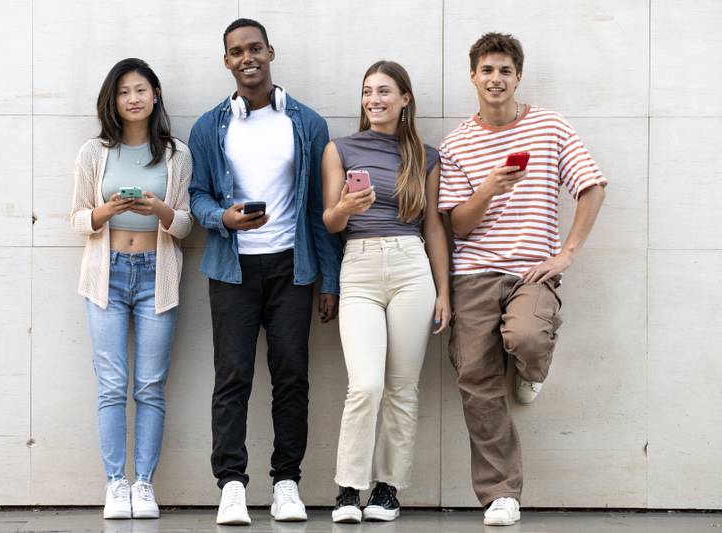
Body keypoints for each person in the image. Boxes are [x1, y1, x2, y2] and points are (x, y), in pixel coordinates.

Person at [438, 33, 607, 526]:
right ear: (473, 76)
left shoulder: (550, 126)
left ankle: (532, 372)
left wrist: (567, 253)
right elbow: (458, 225)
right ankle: (501, 495)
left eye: (505, 71)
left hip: (531, 271)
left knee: (528, 338)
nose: (496, 79)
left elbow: (592, 187)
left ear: (518, 77)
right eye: (487, 70)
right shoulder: (457, 143)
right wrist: (490, 186)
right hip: (473, 275)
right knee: (475, 377)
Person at [187, 18, 343, 526]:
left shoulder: (306, 122)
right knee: (231, 377)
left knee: (292, 377)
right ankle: (231, 485)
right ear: (227, 61)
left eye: (255, 48)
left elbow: (322, 206)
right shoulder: (210, 126)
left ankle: (286, 484)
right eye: (236, 52)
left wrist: (330, 280)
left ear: (270, 51)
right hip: (232, 269)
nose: (247, 57)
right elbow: (198, 197)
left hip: (291, 269)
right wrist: (222, 218)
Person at [322, 60, 451, 524]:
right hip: (357, 264)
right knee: (367, 385)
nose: (374, 100)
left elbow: (434, 227)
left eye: (384, 92)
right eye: (367, 92)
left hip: (411, 266)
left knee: (401, 387)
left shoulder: (425, 154)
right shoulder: (339, 148)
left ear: (404, 99)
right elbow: (330, 222)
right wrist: (345, 206)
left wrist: (444, 292)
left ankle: (387, 489)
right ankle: (347, 489)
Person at [70, 58, 192, 520]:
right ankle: (115, 484)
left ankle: (144, 485)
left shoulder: (177, 154)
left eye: (141, 90)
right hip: (107, 274)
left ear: (155, 94)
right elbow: (79, 218)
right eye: (124, 92)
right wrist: (107, 210)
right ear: (113, 101)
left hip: (156, 275)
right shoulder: (93, 152)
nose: (133, 99)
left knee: (150, 385)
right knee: (111, 385)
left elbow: (183, 226)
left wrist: (159, 208)